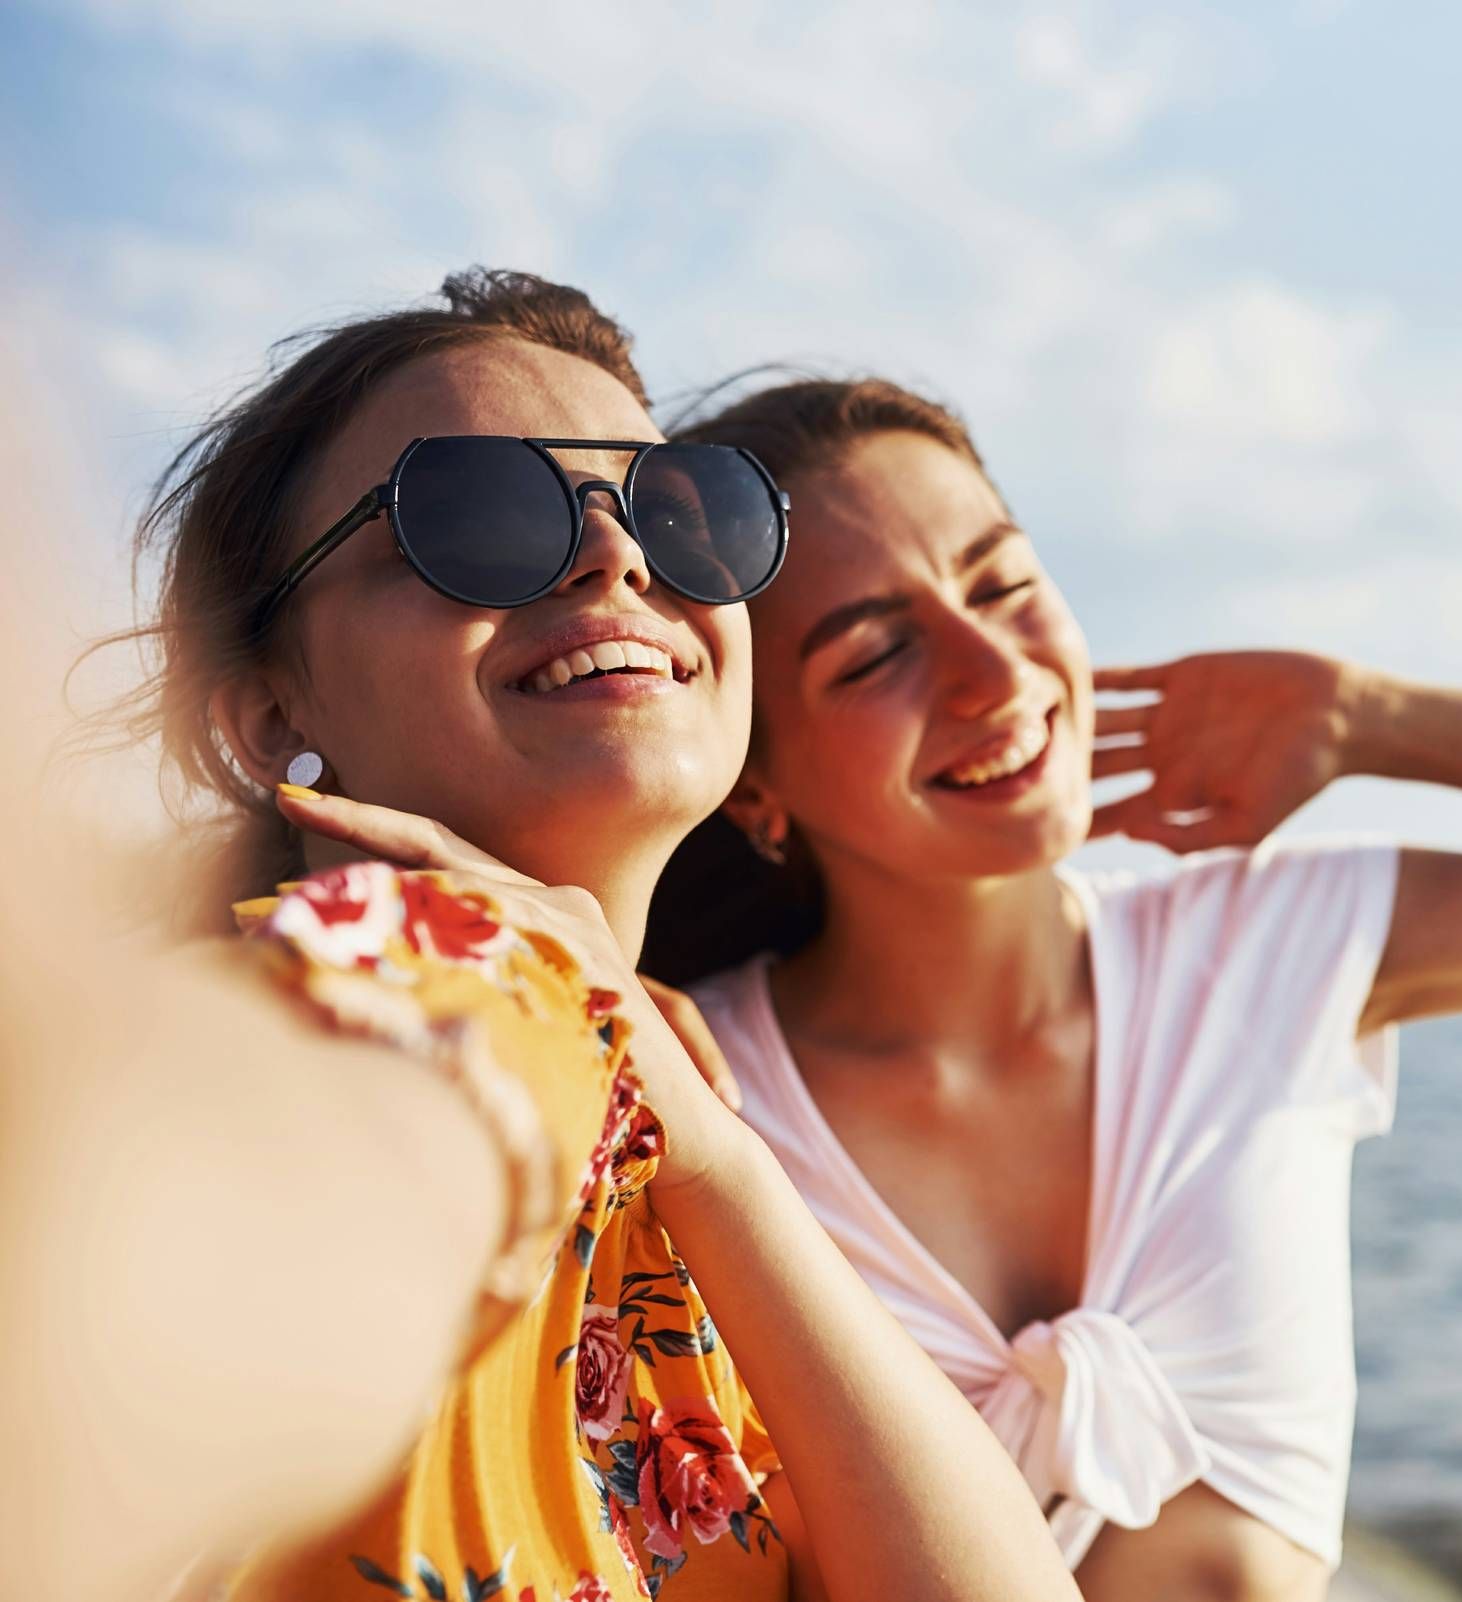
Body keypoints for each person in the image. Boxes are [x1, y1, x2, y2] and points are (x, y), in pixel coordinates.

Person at [647, 377, 1462, 1602]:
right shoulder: (701, 1098)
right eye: (875, 656)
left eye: (1007, 585)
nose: (990, 672)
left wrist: (1370, 717)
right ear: (752, 777)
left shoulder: (1261, 950)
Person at [68, 278, 1080, 1602]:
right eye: (478, 515)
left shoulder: (679, 1076)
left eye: (675, 510)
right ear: (266, 715)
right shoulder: (392, 991)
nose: (616, 557)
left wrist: (709, 1150)